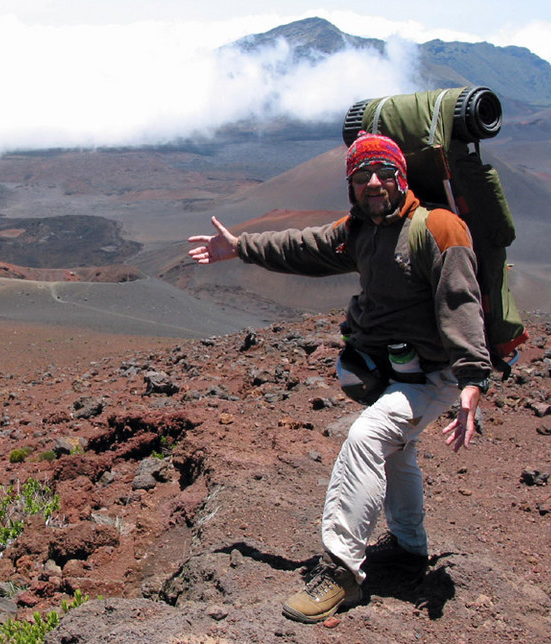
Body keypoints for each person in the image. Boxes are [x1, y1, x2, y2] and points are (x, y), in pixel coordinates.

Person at [187, 131, 493, 624]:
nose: (373, 181)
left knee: (366, 437)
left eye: (384, 172)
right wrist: (240, 247)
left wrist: (473, 380)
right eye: (361, 175)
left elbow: (462, 304)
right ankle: (411, 549)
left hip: (437, 373)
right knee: (399, 448)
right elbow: (304, 247)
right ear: (351, 184)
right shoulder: (361, 229)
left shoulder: (437, 228)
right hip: (397, 369)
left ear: (401, 176)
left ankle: (343, 569)